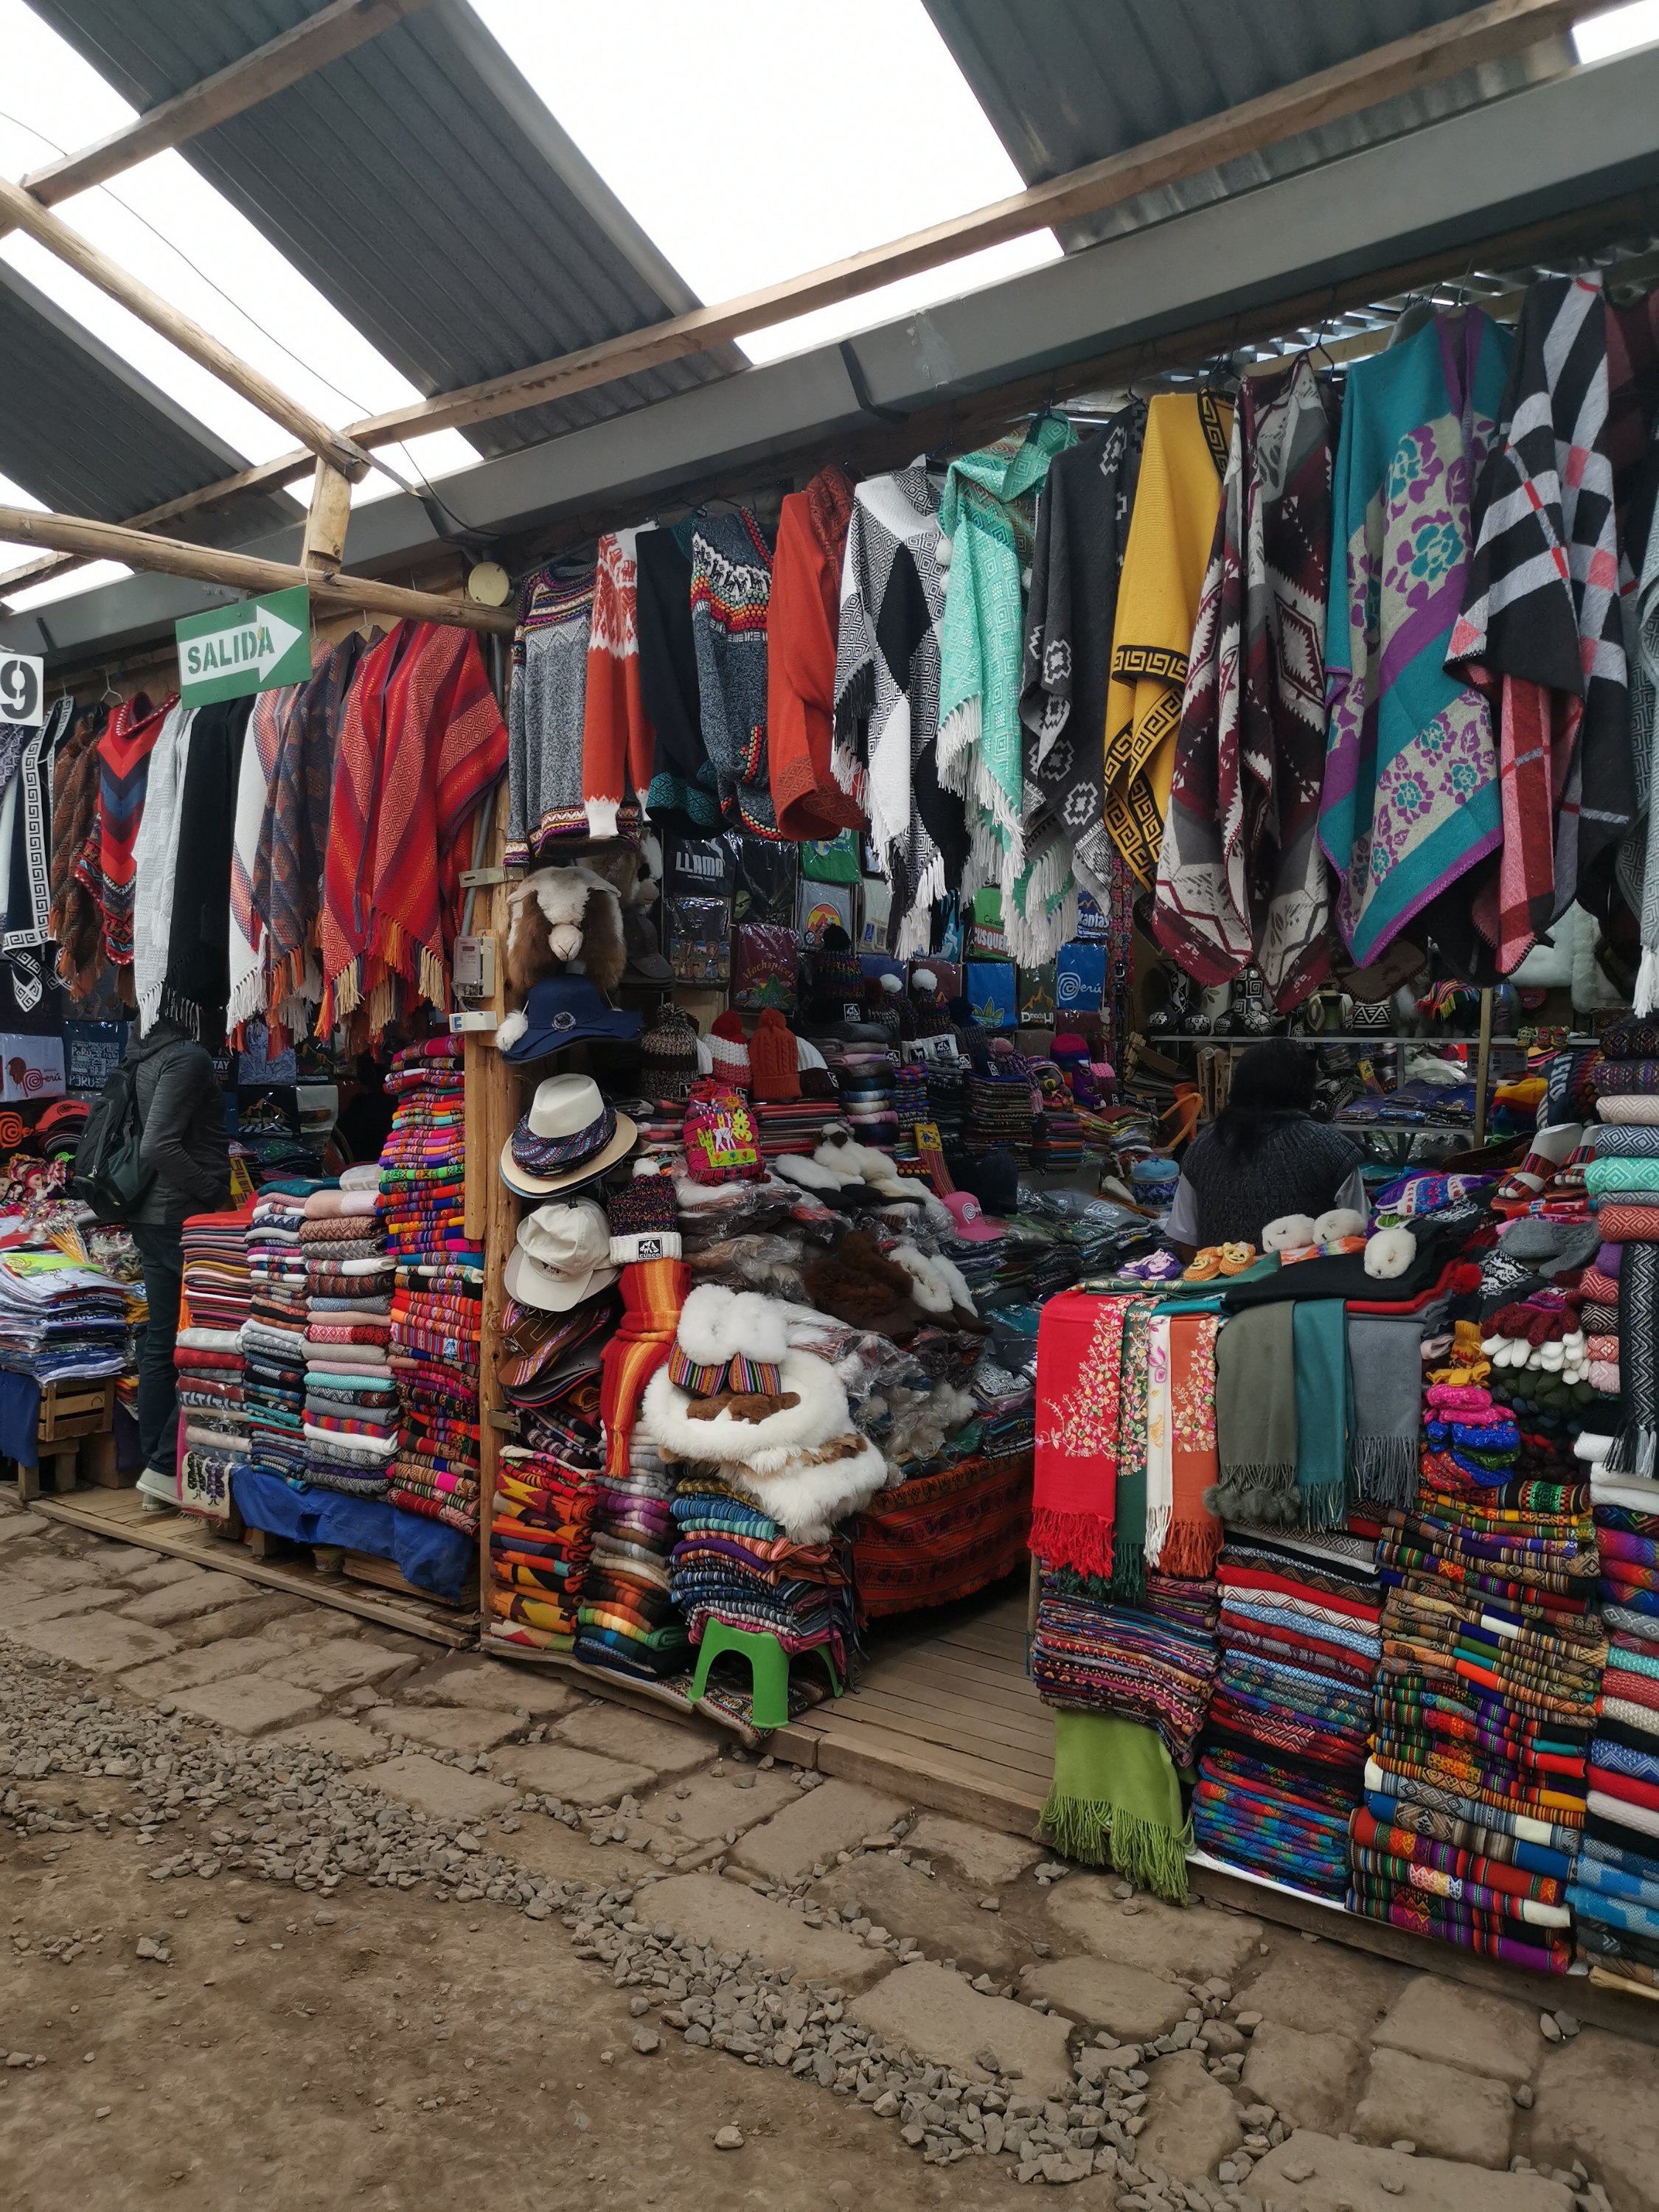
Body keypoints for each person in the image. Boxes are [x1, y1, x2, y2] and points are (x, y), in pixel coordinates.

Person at [125, 1018, 232, 1511]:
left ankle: (156, 1469)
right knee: (210, 1334)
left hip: (150, 1214)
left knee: (163, 1339)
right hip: (182, 1217)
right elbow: (158, 1146)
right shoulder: (188, 1057)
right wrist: (214, 1193)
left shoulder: (142, 1052)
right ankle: (165, 1466)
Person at [1167, 1037, 1366, 1258]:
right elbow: (1359, 1235)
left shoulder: (1203, 1146)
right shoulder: (1331, 1148)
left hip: (1219, 1278)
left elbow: (1185, 1238)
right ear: (1305, 1088)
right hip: (1311, 1279)